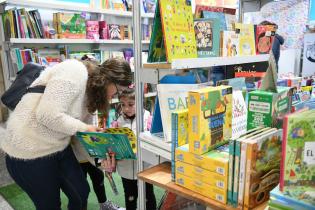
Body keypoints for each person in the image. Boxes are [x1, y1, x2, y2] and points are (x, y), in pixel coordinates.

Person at [1, 57, 132, 210]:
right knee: (49, 205)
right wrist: (85, 128)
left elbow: (81, 138)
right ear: (109, 80)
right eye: (118, 90)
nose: (114, 96)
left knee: (81, 192)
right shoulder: (74, 70)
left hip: (59, 147)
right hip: (28, 151)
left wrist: (100, 161)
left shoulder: (93, 96)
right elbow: (47, 115)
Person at [70, 55, 125, 210]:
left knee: (97, 181)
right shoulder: (83, 95)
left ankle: (104, 203)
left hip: (92, 150)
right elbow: (78, 132)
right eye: (117, 91)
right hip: (77, 153)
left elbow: (93, 125)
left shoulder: (98, 96)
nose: (114, 96)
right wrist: (100, 160)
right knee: (80, 190)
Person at [102, 86, 157, 210]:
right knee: (130, 197)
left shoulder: (148, 119)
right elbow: (112, 146)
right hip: (125, 170)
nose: (126, 108)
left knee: (148, 196)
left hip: (145, 168)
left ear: (140, 103)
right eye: (123, 104)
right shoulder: (117, 123)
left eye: (131, 104)